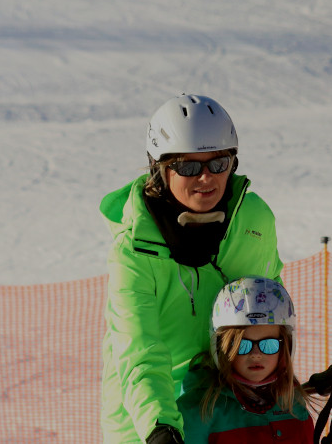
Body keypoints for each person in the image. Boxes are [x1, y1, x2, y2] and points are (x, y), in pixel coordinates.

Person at [100, 94, 283, 444]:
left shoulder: (254, 222)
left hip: (225, 410)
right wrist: (160, 427)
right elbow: (138, 349)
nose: (205, 178)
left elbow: (270, 315)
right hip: (146, 425)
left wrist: (285, 384)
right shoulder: (133, 251)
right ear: (159, 168)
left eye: (218, 164)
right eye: (187, 166)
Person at [177, 276, 314, 443]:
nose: (256, 354)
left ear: (285, 347)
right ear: (222, 348)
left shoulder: (292, 404)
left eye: (268, 345)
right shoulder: (202, 411)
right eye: (242, 345)